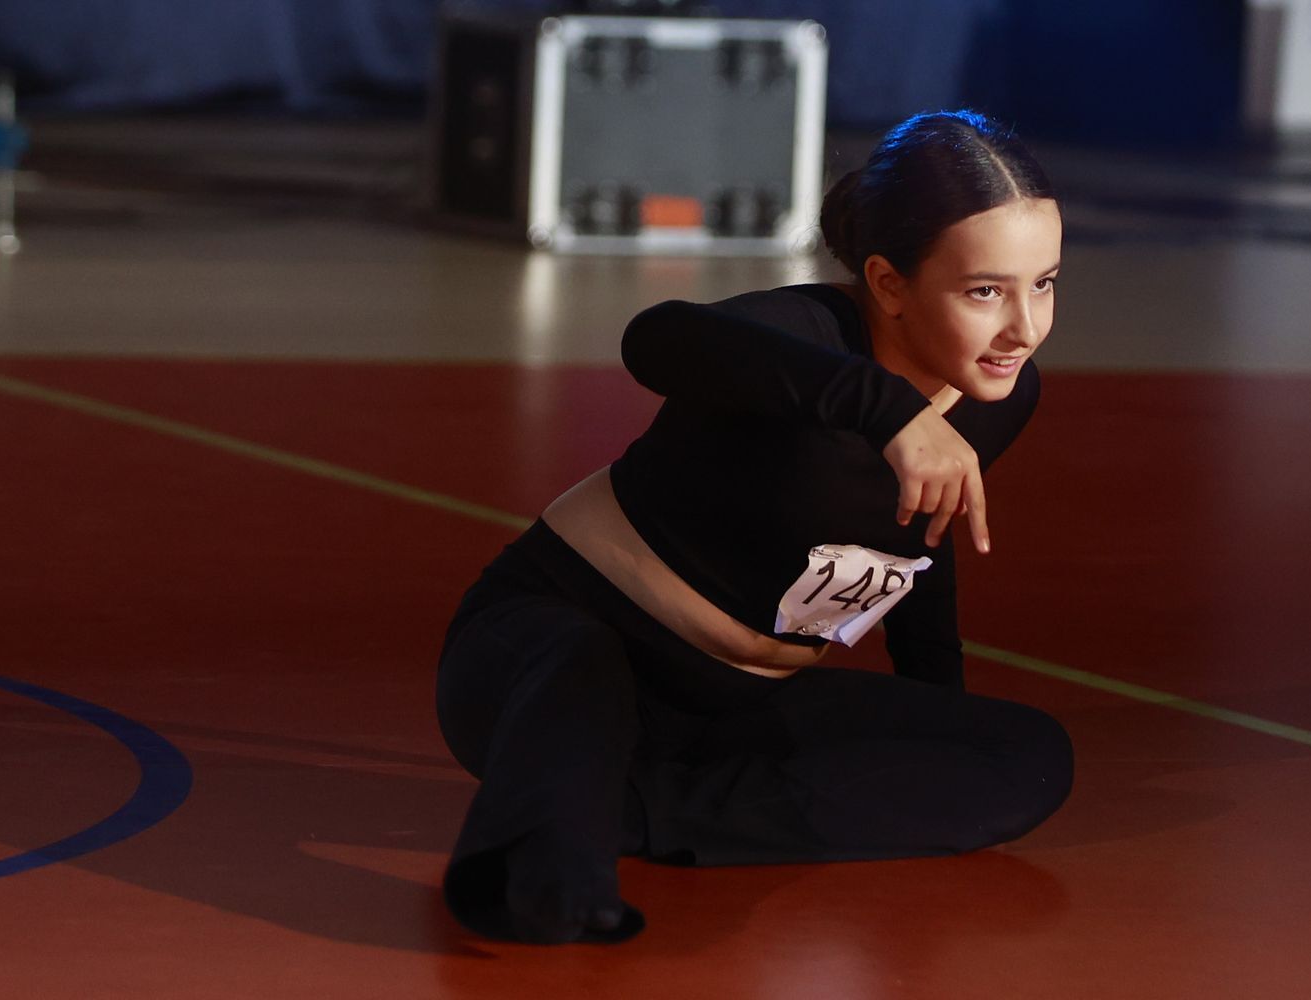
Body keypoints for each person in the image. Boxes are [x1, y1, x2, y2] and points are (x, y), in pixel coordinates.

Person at [435, 109, 1074, 945]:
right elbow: (656, 339)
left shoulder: (1002, 397)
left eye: (1044, 284)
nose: (1024, 328)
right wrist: (885, 410)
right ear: (888, 284)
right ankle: (541, 872)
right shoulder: (809, 333)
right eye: (985, 291)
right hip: (550, 655)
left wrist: (934, 715)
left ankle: (628, 813)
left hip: (735, 709)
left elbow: (914, 545)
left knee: (1029, 758)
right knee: (577, 664)